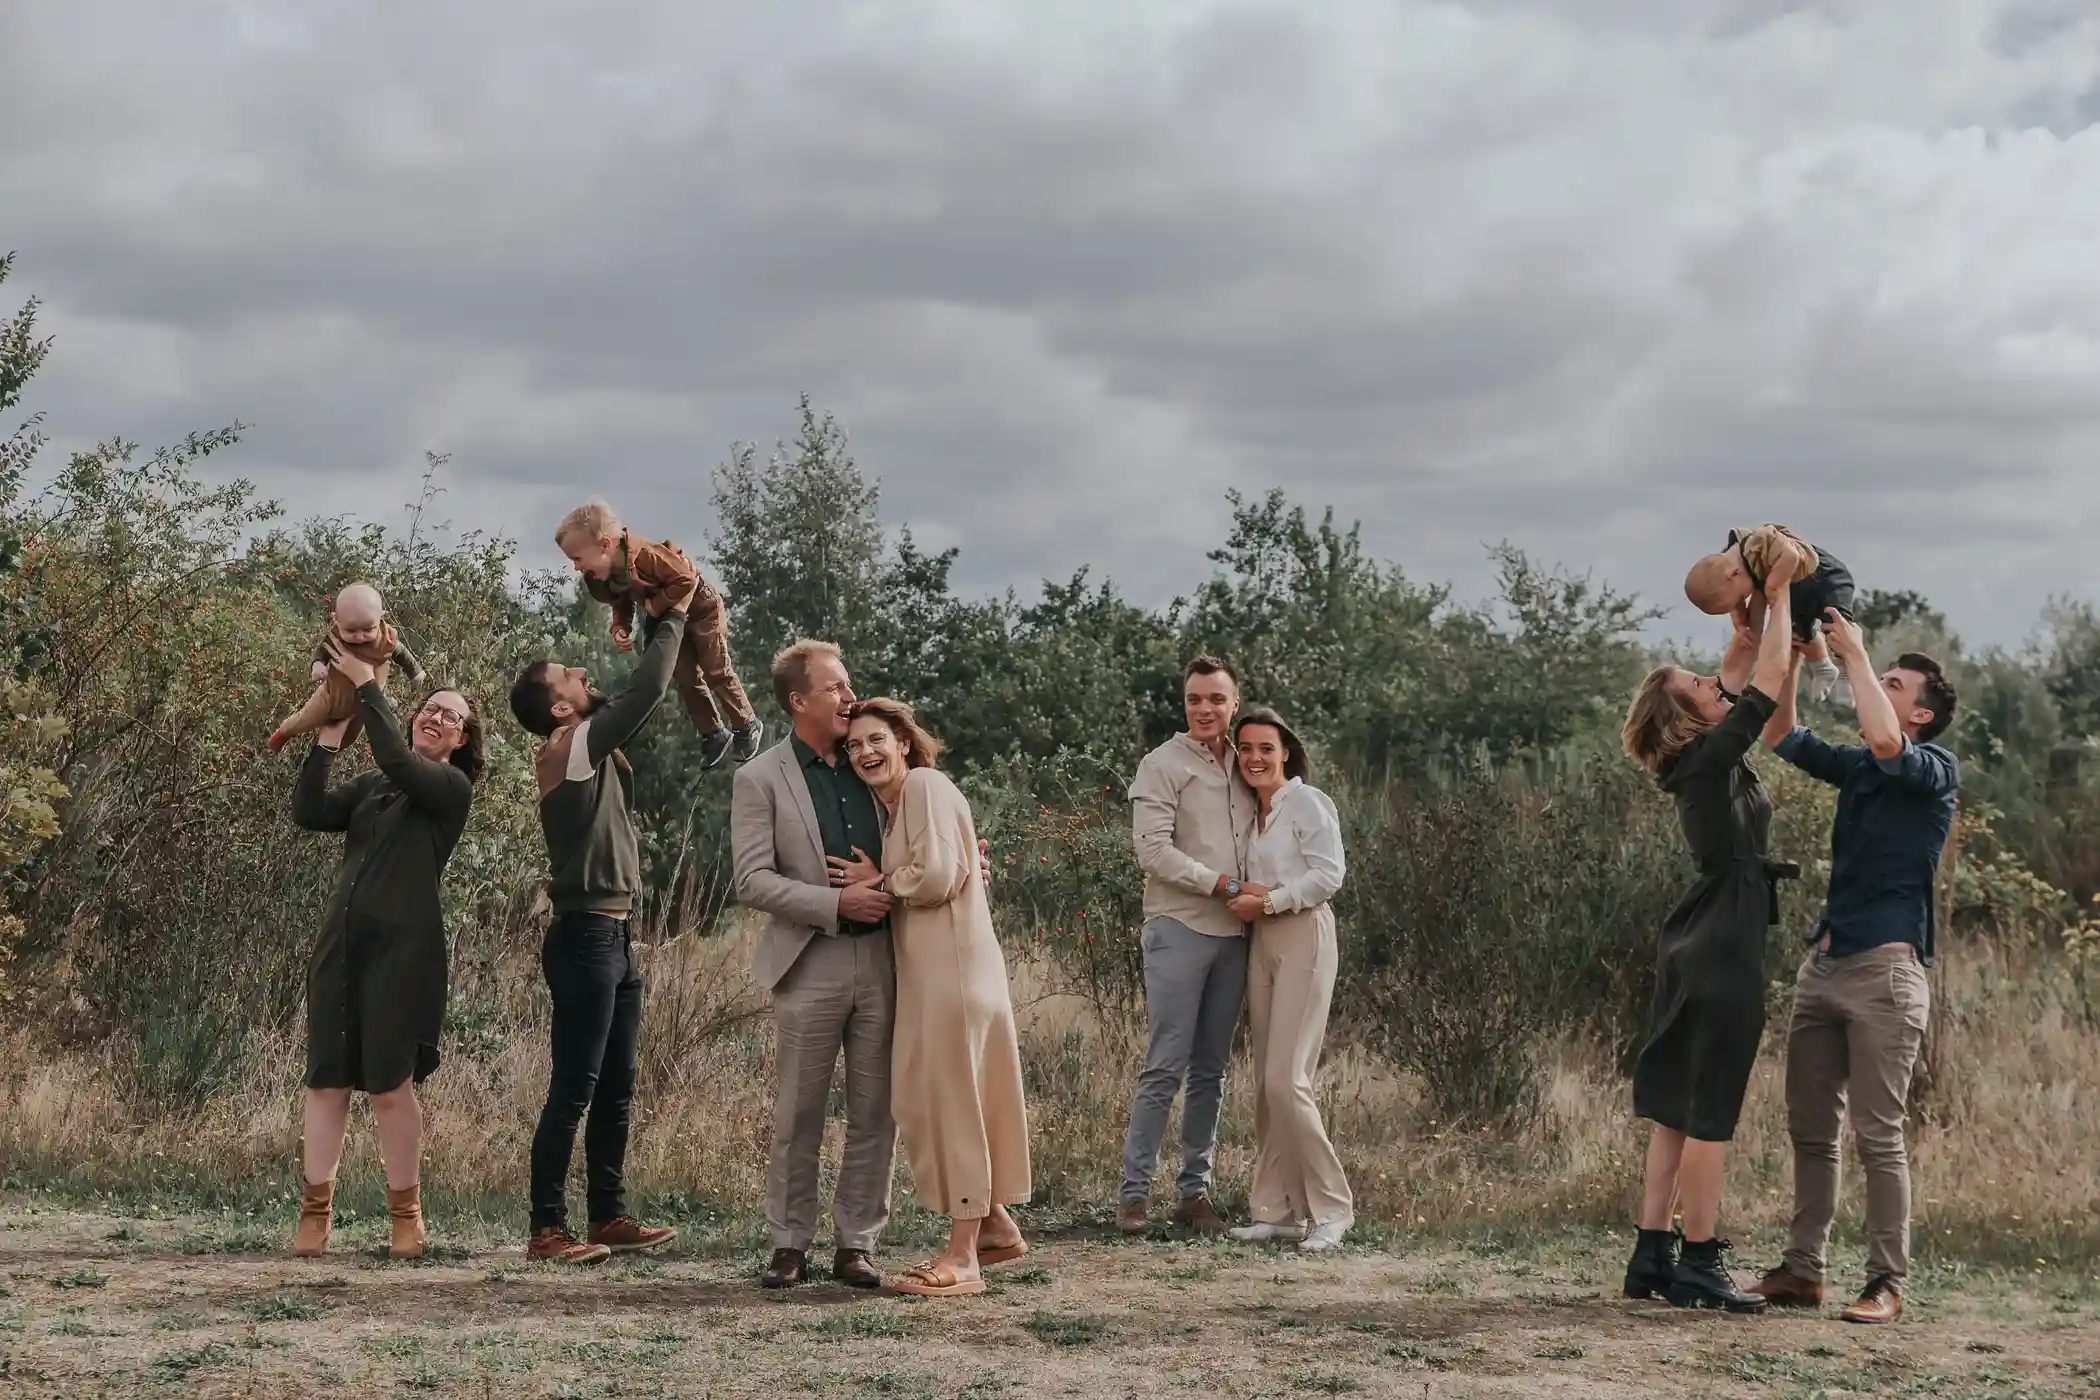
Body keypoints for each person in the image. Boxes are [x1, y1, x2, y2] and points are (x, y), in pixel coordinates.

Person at [729, 641, 996, 1290]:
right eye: (836, 688)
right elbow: (752, 880)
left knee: (877, 1110)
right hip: (809, 959)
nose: (850, 698)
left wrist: (966, 860)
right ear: (799, 701)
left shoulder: (877, 762)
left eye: (849, 686)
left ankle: (858, 1245)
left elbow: (933, 839)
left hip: (888, 959)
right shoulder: (758, 779)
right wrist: (835, 900)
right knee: (799, 1113)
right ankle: (790, 1244)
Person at [1745, 617, 1960, 1325]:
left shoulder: (1933, 768)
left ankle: (1885, 1285)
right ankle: (1803, 1272)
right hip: (1826, 965)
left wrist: (1858, 654)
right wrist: (1804, 661)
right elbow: (1780, 734)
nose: (1879, 685)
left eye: (1895, 685)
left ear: (1921, 712)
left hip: (1886, 977)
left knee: (1878, 1135)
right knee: (1810, 1129)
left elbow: (1886, 741)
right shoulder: (1863, 765)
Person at [1618, 553, 1802, 1311]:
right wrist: (1784, 592)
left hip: (1700, 938)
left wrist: (1751, 623)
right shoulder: (1706, 760)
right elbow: (1755, 693)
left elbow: (1744, 681)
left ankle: (1650, 1257)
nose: (1708, 679)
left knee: (1674, 1109)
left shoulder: (1701, 759)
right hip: (1722, 941)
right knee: (1710, 1116)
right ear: (1686, 717)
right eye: (1694, 685)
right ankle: (1699, 1262)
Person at [505, 574, 695, 1264]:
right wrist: (672, 616)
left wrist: (640, 613)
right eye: (570, 674)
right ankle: (546, 1230)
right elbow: (642, 693)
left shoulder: (584, 740)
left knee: (616, 1086)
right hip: (585, 937)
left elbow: (624, 695)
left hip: (615, 934)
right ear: (560, 709)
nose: (584, 672)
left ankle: (608, 1217)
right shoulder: (571, 746)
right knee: (574, 1089)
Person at [834, 698, 1030, 1297]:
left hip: (954, 975)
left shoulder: (923, 785)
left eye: (876, 740)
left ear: (903, 742)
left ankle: (962, 1256)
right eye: (854, 745)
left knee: (953, 1106)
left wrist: (880, 881)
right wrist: (886, 867)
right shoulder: (896, 808)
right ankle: (995, 1228)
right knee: (935, 1101)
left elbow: (940, 876)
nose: (864, 752)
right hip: (938, 975)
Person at [288, 649, 479, 1260]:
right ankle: (315, 1217)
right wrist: (328, 735)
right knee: (327, 1082)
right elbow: (309, 811)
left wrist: (368, 684)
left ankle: (407, 1220)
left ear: (461, 739)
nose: (435, 717)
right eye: (430, 707)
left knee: (390, 1087)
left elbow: (395, 755)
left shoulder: (449, 788)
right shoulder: (373, 789)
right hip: (340, 950)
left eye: (449, 716)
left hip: (403, 955)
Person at [1117, 654, 1256, 1236]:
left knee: (1211, 1070)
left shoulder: (1248, 764)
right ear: (1184, 703)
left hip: (1238, 936)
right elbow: (1151, 851)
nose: (1205, 709)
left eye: (1216, 700)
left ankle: (1194, 1194)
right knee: (1165, 1064)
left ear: (1234, 705)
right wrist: (1219, 883)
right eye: (1195, 699)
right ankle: (1134, 1195)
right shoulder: (1162, 764)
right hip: (1179, 927)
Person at [1222, 708, 1352, 1254]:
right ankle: (1277, 1212)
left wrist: (1270, 900)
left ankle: (1332, 1209)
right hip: (1265, 943)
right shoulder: (1254, 813)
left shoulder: (1307, 803)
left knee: (1286, 1080)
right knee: (1265, 1084)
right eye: (1245, 748)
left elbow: (1329, 874)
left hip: (1303, 935)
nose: (1254, 757)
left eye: (1265, 748)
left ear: (1286, 753)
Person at [555, 499, 763, 771]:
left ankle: (746, 722)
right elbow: (621, 597)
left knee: (715, 669)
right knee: (687, 678)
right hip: (672, 618)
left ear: (605, 545)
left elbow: (686, 579)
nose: (576, 567)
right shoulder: (607, 574)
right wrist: (621, 624)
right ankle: (713, 733)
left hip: (701, 609)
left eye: (577, 559)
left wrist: (656, 604)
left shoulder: (645, 554)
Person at [1685, 523, 1857, 706]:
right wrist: (1740, 626)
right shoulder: (1730, 570)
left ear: (1734, 574)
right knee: (1800, 634)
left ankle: (1845, 670)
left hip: (1825, 577)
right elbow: (1736, 604)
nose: (1744, 599)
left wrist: (1773, 585)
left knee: (1837, 626)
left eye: (1743, 597)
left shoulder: (1758, 544)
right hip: (1795, 588)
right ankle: (1822, 666)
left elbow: (1791, 555)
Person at [268, 581, 425, 753]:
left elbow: (402, 654)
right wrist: (317, 665)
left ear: (381, 617)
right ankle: (282, 734)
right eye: (351, 631)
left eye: (368, 629)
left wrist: (414, 671)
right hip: (331, 696)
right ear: (336, 619)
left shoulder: (387, 639)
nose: (359, 637)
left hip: (364, 702)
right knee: (304, 719)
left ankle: (325, 749)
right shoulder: (335, 637)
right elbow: (321, 651)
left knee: (351, 736)